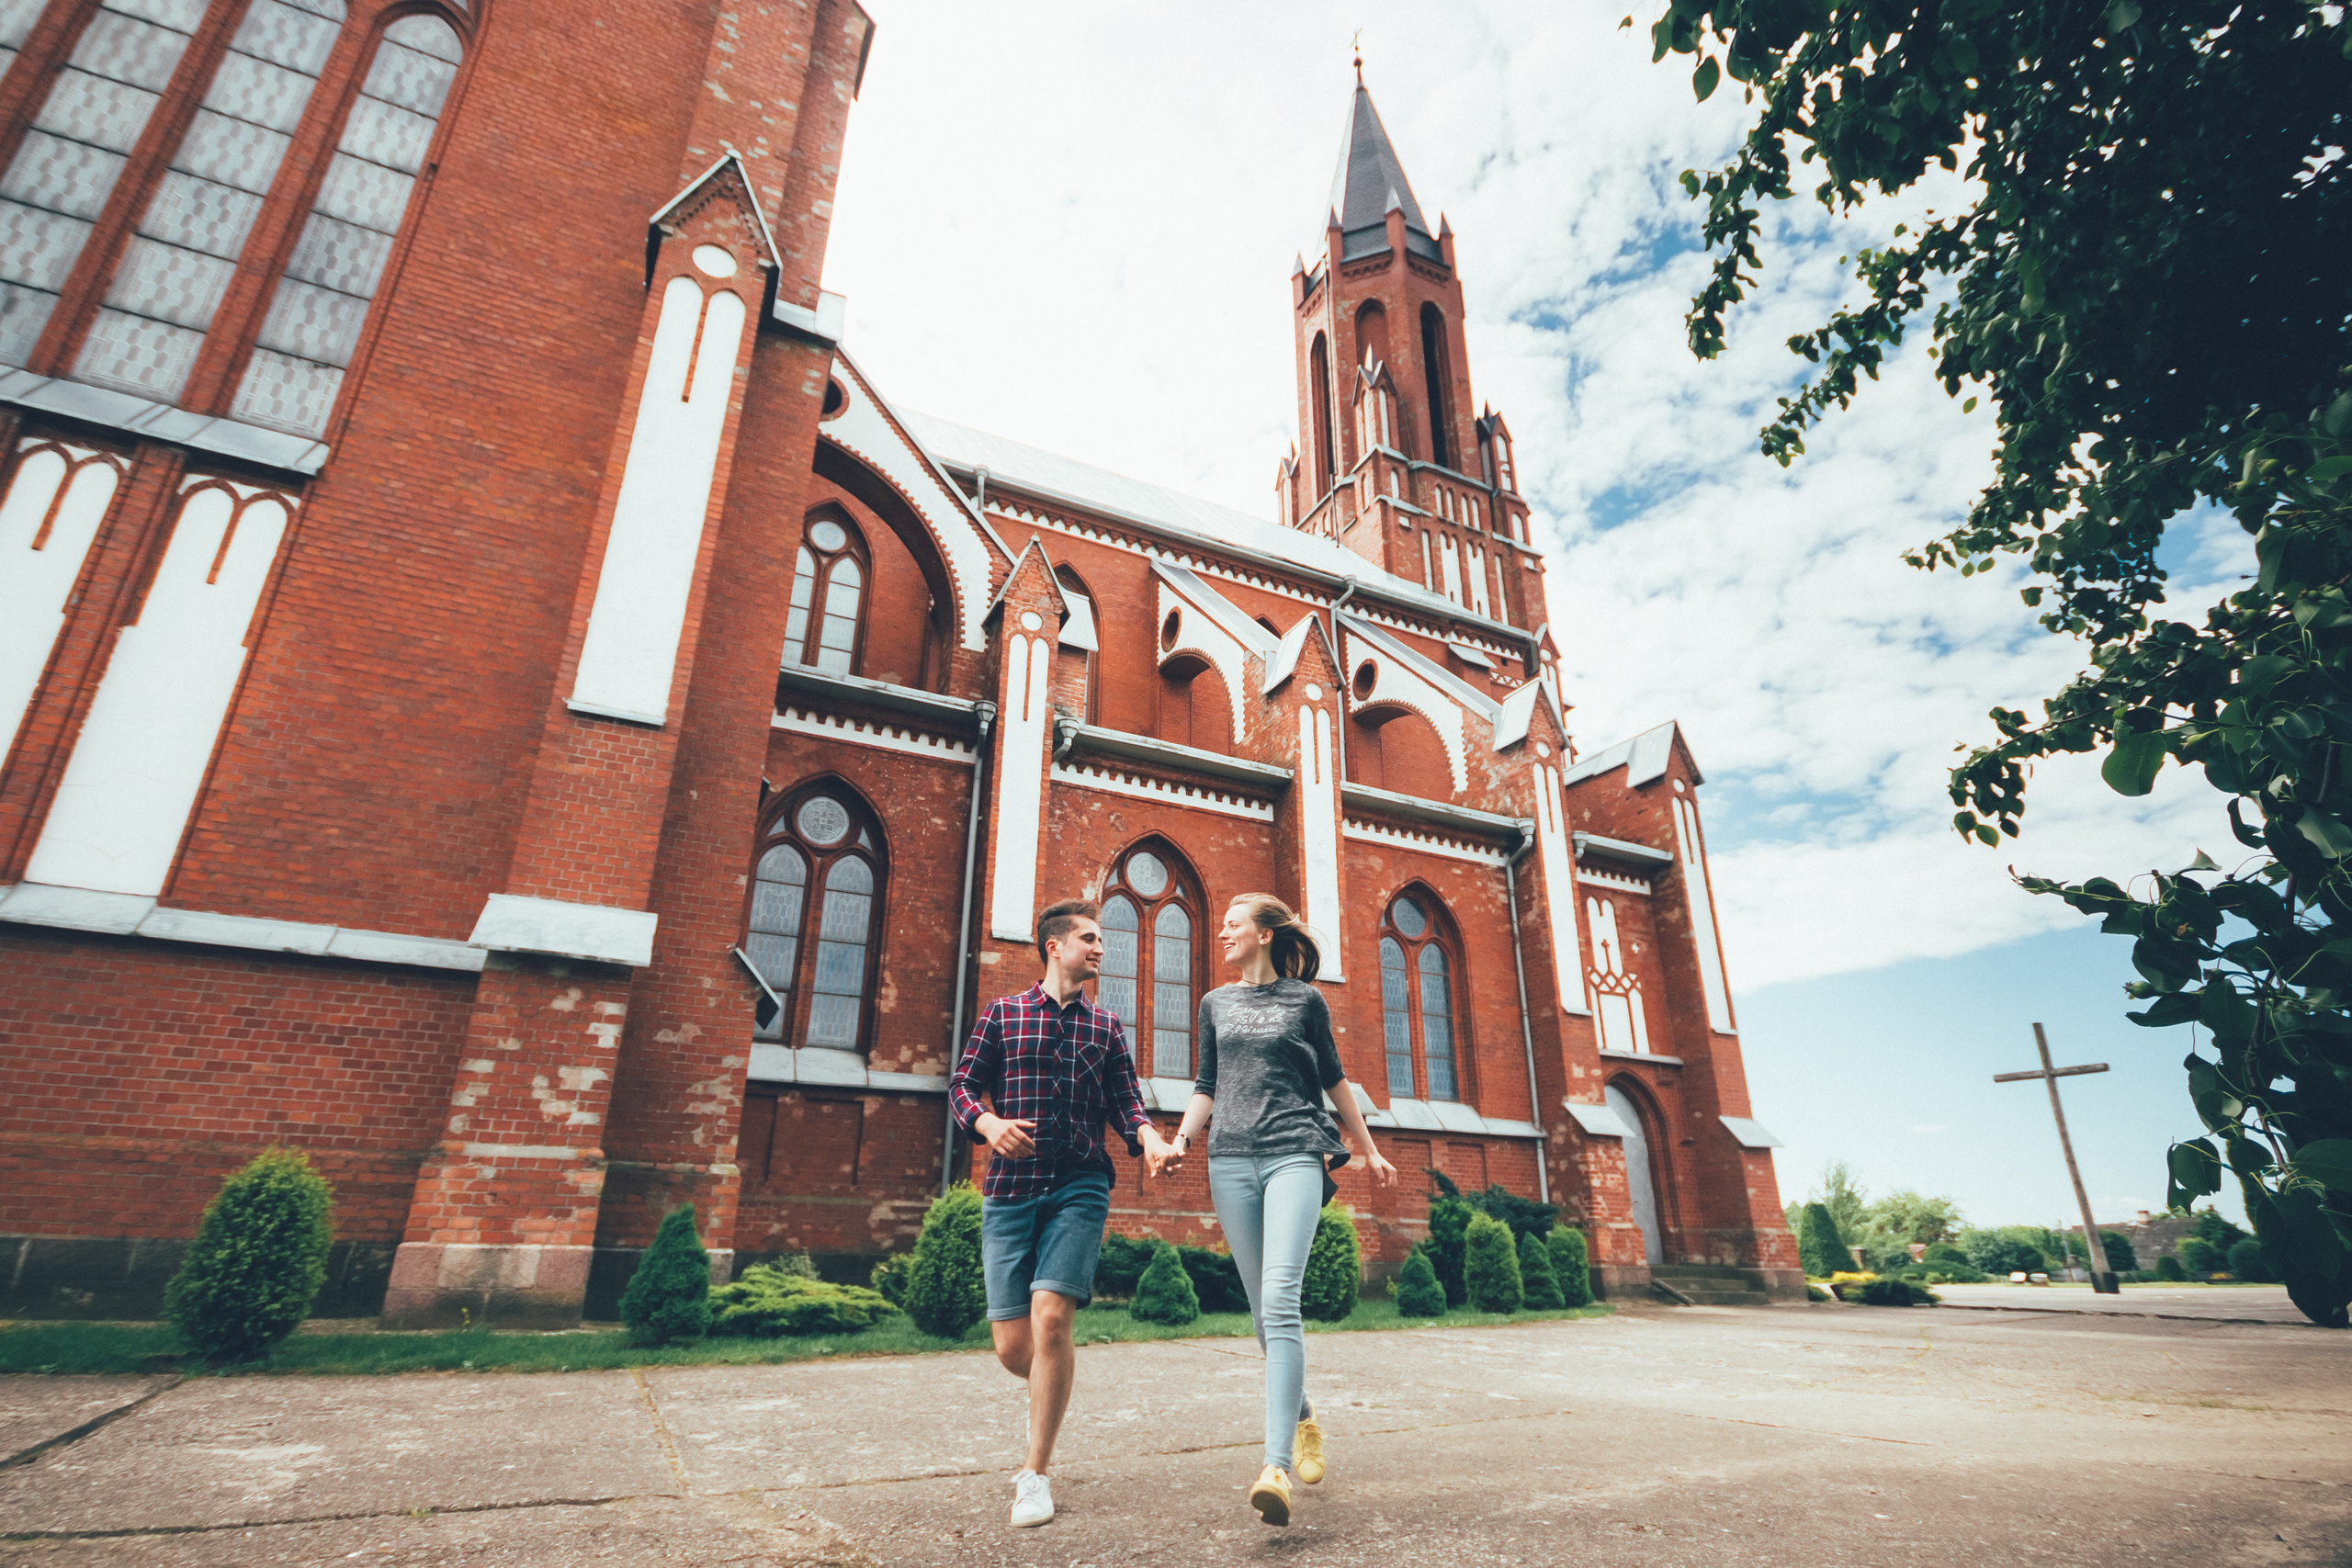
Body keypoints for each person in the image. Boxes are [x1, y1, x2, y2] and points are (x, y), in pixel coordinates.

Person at [1163, 892, 1396, 1527]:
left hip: (1295, 1150)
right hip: (1229, 1159)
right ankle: (1305, 1419)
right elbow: (1207, 1084)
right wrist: (1181, 1140)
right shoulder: (1216, 1003)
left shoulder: (1304, 1000)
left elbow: (1335, 1079)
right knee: (1261, 1309)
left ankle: (1274, 1466)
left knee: (1281, 1297)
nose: (1224, 933)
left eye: (1234, 924)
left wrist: (1368, 1148)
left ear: (1266, 934)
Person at [949, 897, 1181, 1529]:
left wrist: (1151, 1139)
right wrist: (989, 1122)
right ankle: (1058, 1376)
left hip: (1080, 1185)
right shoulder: (1004, 1013)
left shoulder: (1106, 1028)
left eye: (1099, 938)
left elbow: (1127, 1103)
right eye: (1088, 937)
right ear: (1054, 946)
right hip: (1010, 1189)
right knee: (1012, 1346)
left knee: (1052, 1320)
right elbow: (962, 1087)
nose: (1099, 947)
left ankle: (1035, 1473)